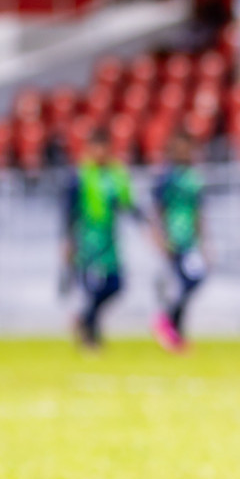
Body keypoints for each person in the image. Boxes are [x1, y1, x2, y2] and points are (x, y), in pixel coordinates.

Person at [64, 129, 138, 349]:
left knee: (116, 285)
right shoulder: (80, 175)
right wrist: (67, 240)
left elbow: (127, 203)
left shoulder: (116, 174)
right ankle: (91, 337)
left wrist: (145, 223)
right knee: (93, 288)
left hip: (110, 239)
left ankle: (84, 320)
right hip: (88, 240)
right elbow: (69, 210)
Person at [151, 132, 207, 352]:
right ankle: (171, 327)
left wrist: (203, 242)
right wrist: (160, 238)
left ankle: (171, 324)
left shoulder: (194, 178)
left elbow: (198, 213)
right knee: (185, 282)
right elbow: (158, 210)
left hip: (189, 240)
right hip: (174, 239)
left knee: (193, 280)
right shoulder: (167, 178)